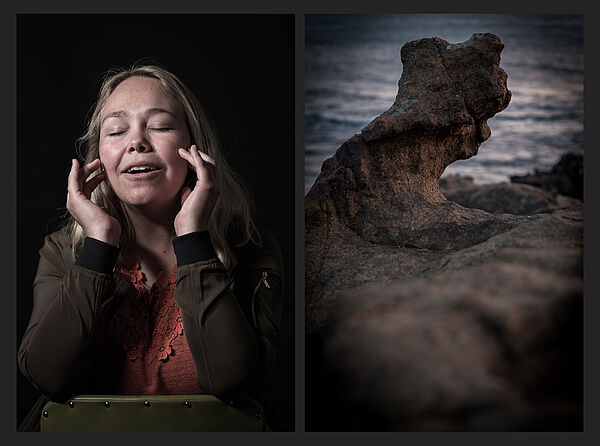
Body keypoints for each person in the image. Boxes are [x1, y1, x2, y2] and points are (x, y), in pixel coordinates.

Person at [17, 64, 285, 431]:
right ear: (100, 156)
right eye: (116, 130)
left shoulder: (252, 249)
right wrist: (98, 245)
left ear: (195, 150)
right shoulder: (61, 251)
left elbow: (230, 381)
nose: (137, 142)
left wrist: (193, 240)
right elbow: (47, 377)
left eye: (159, 126)